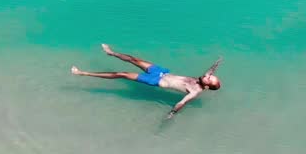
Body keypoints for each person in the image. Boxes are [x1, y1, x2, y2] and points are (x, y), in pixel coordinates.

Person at [72, 44, 221, 119]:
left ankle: (82, 73)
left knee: (121, 74)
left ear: (207, 85)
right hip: (161, 71)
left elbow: (181, 103)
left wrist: (171, 114)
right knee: (133, 59)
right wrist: (218, 62)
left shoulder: (195, 91)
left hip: (155, 80)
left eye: (209, 78)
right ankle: (111, 52)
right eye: (209, 76)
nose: (207, 75)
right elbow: (211, 70)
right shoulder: (203, 79)